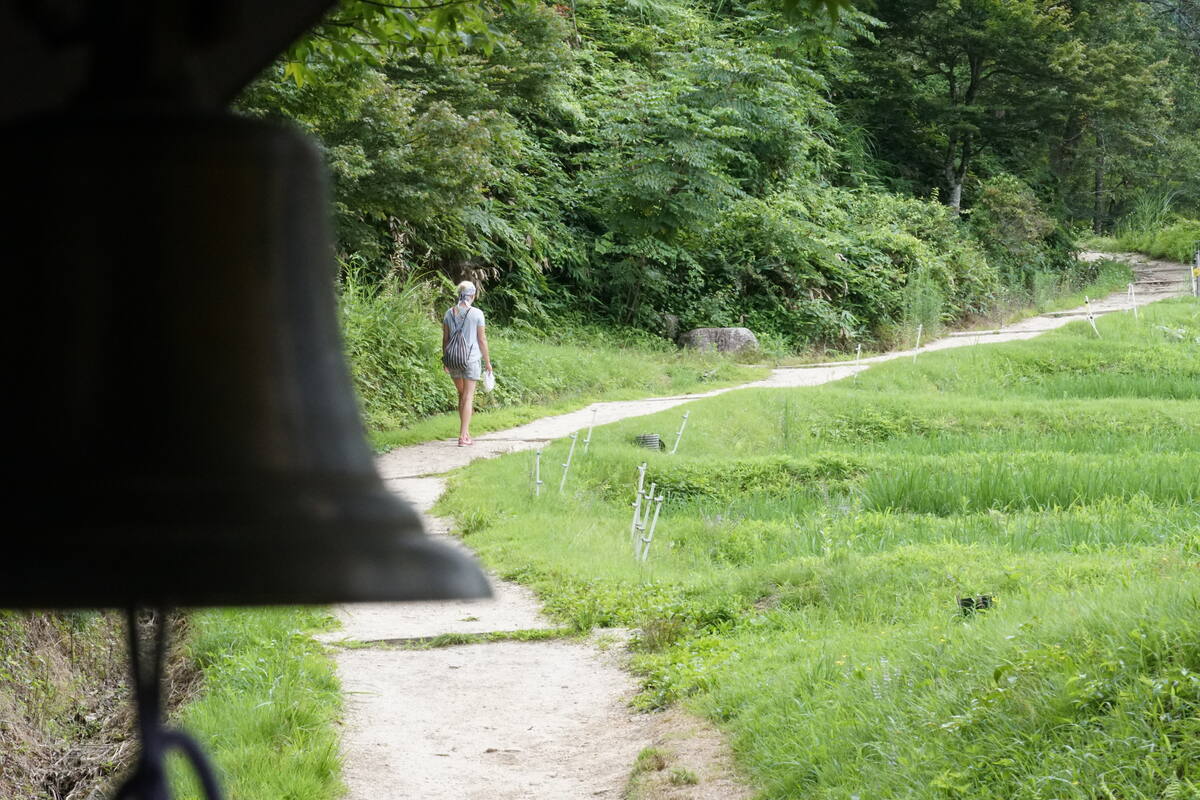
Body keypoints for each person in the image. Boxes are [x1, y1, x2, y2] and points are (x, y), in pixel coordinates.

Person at [442, 280, 492, 446]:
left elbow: (446, 339)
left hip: (453, 359)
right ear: (472, 295)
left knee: (461, 395)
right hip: (471, 359)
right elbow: (482, 339)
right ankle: (463, 437)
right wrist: (488, 363)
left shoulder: (449, 313)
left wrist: (446, 360)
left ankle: (466, 431)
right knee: (468, 396)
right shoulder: (477, 313)